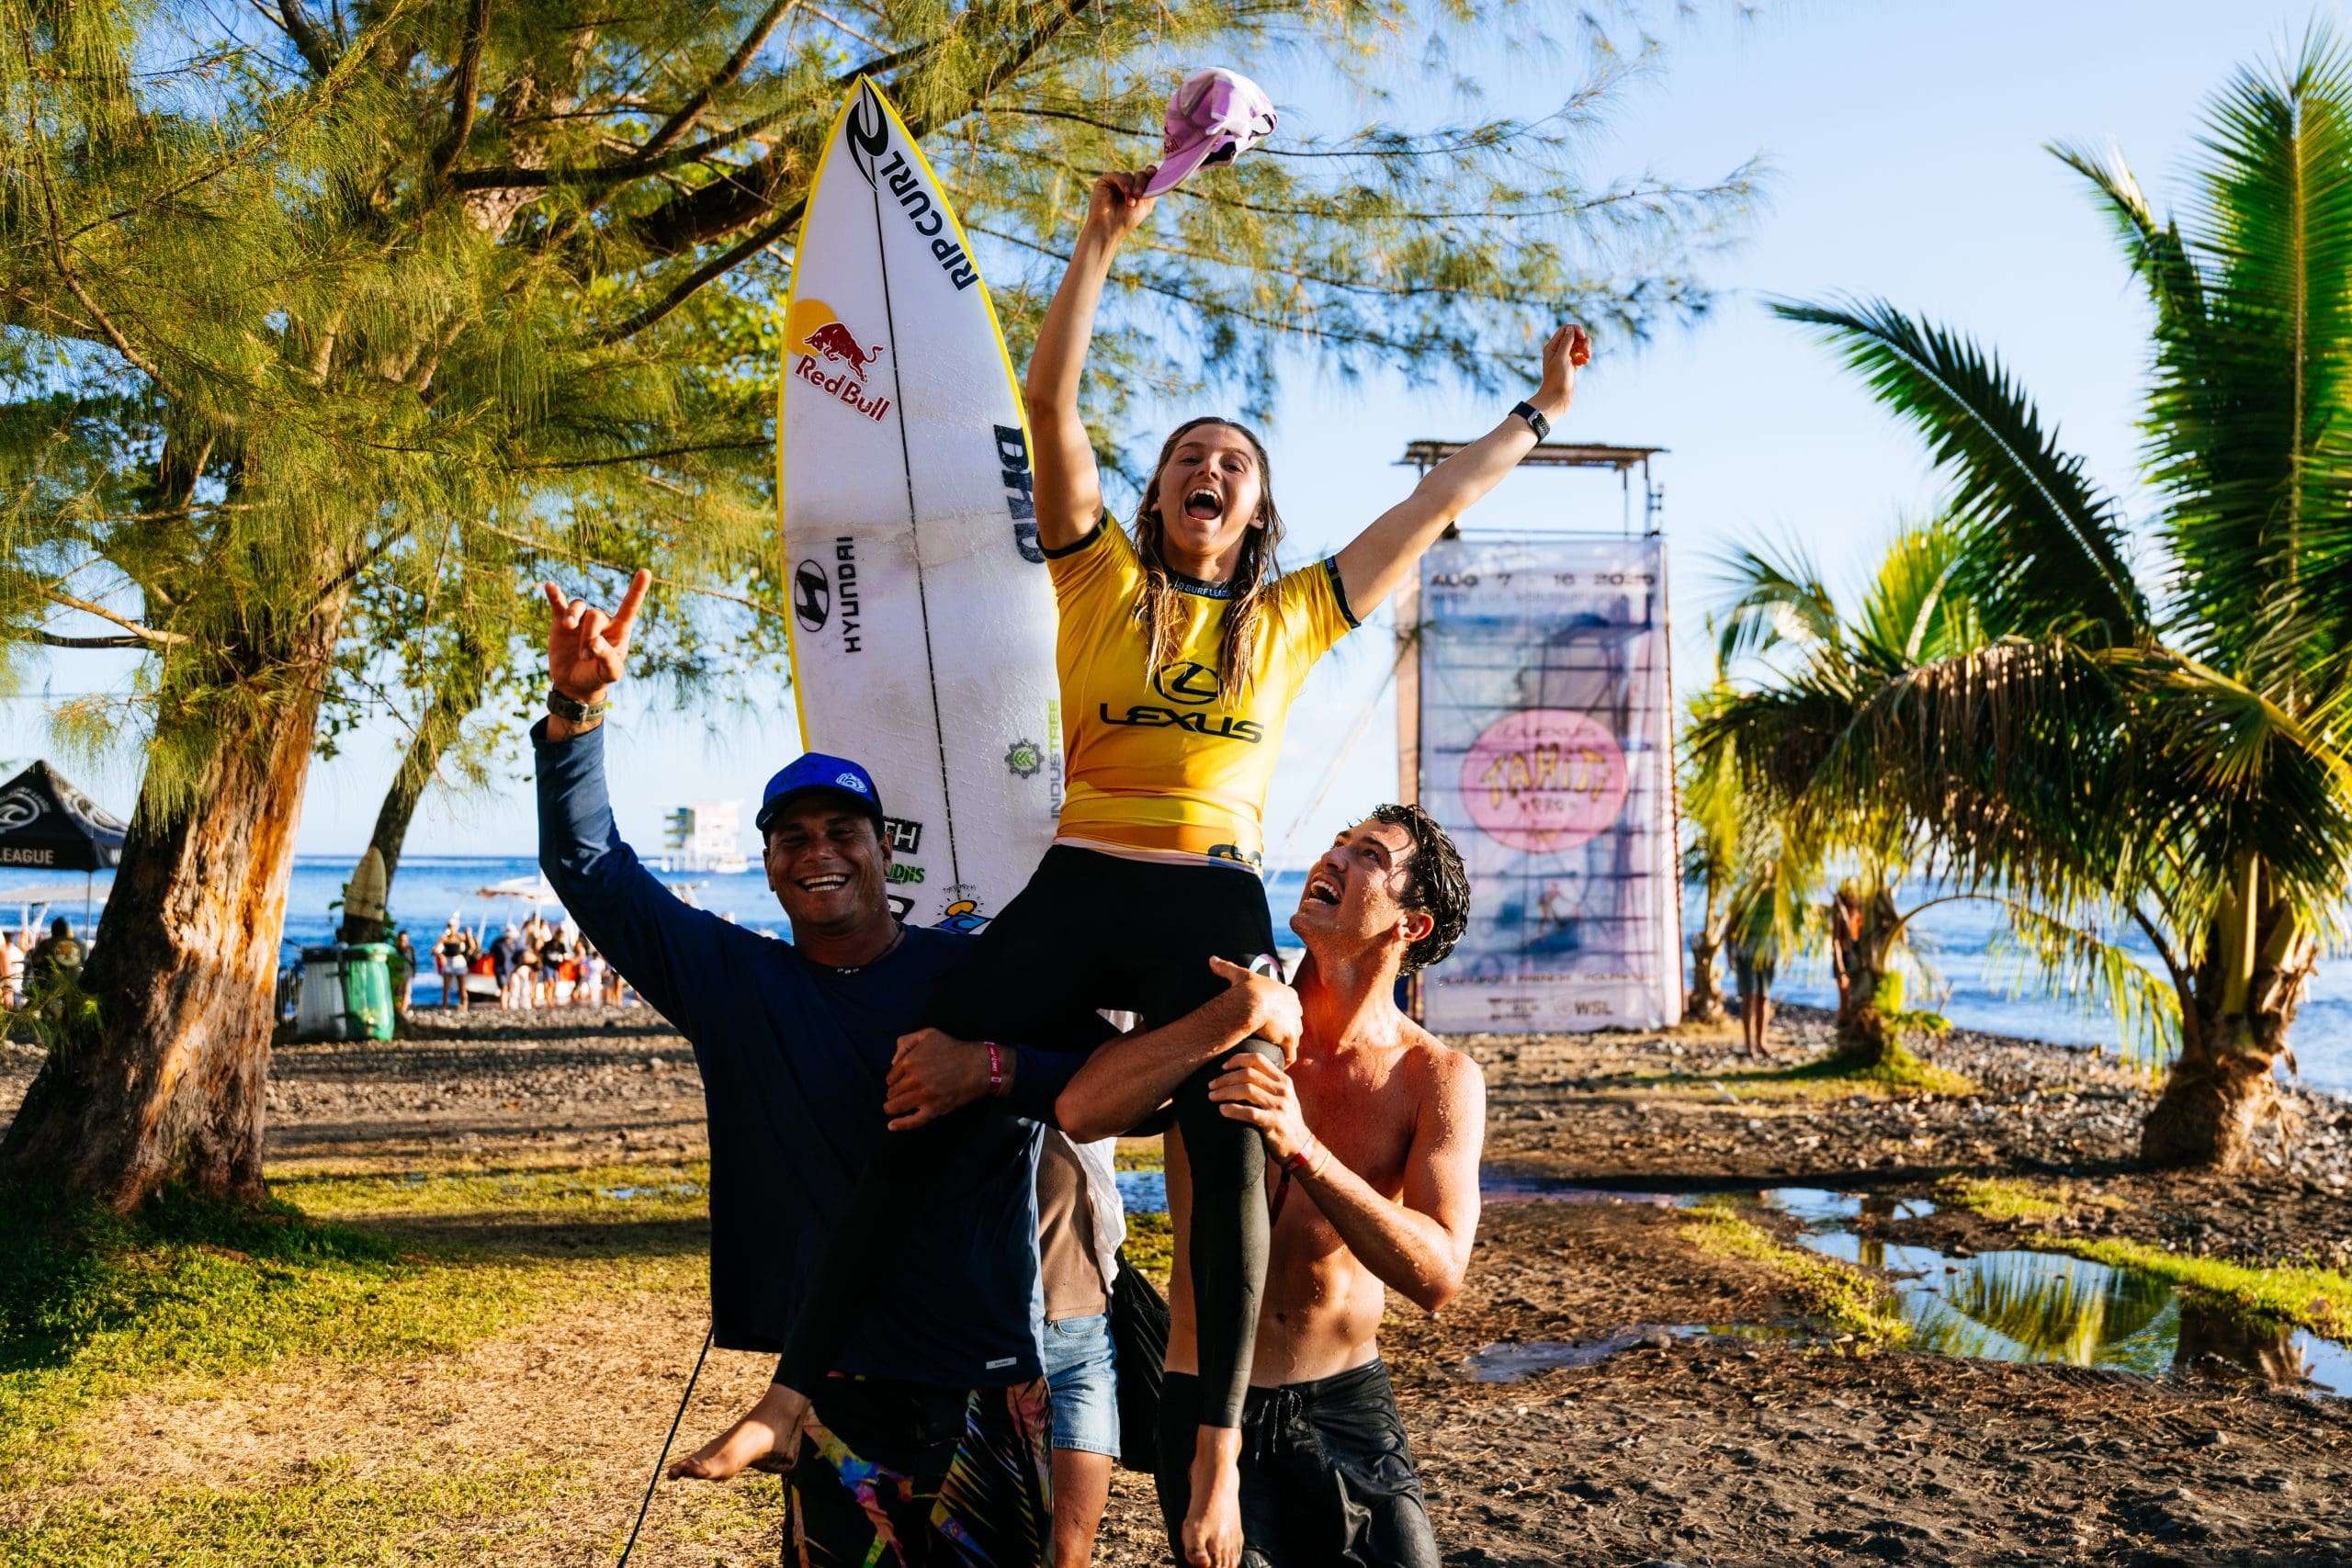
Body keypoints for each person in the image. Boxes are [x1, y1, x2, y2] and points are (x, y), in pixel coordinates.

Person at [784, 164, 1588, 1568]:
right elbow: (1048, 408)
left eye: (1236, 462)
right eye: (1187, 458)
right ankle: (793, 1380)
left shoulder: (1288, 619)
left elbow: (1426, 510)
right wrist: (1095, 240)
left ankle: (1210, 1455)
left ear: (1257, 510)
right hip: (1084, 872)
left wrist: (1534, 418)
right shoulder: (1092, 574)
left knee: (1227, 1139)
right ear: (1155, 495)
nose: (1208, 468)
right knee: (922, 1075)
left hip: (1209, 893)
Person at [537, 571, 1273, 1564]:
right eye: (791, 840)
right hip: (835, 1382)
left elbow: (1117, 1094)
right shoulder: (733, 983)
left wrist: (1000, 1065)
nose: (818, 855)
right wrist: (576, 711)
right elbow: (592, 869)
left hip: (992, 1375)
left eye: (842, 832)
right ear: (767, 866)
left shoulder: (974, 976)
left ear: (887, 850)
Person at [1057, 807, 1484, 1568]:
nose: (1336, 856)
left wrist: (1303, 1146)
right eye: (1340, 841)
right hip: (1206, 1397)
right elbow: (1082, 1111)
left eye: (1368, 856)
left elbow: (1440, 1275)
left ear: (1409, 926)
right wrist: (1226, 1018)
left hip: (1349, 1401)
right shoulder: (1228, 1012)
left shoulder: (1435, 1078)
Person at [1035, 1130, 1126, 1568]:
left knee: (1069, 1555)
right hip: (986, 1346)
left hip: (1079, 1343)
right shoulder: (962, 1075)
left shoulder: (1083, 1084)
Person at [27, 916, 85, 990]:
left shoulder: (46, 943)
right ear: (66, 930)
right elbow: (85, 960)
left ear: (53, 931)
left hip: (53, 986)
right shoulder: (79, 943)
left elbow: (35, 961)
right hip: (76, 983)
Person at [435, 918, 469, 1008]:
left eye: (453, 926)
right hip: (448, 963)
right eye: (449, 926)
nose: (451, 928)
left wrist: (468, 935)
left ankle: (464, 1006)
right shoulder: (444, 938)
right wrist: (441, 956)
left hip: (459, 963)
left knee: (462, 987)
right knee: (446, 988)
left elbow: (472, 946)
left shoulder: (460, 937)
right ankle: (444, 1007)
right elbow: (434, 950)